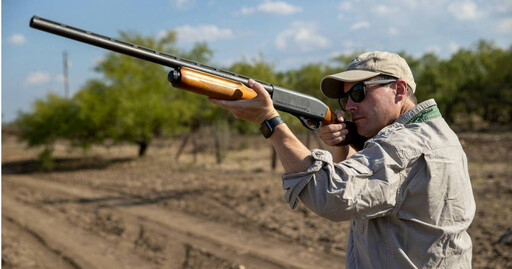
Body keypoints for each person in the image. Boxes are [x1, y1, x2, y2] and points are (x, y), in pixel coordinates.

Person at [208, 51, 476, 268]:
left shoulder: (406, 145)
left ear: (399, 89)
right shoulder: (434, 133)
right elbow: (370, 185)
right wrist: (345, 144)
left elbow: (330, 195)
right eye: (345, 96)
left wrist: (269, 121)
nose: (349, 106)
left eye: (359, 92)